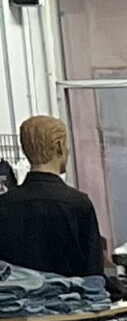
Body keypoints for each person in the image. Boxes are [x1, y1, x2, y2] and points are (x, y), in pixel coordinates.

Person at [0, 116, 105, 279]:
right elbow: (94, 274)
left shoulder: (4, 205)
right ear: (60, 146)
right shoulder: (78, 204)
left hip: (16, 294)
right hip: (72, 293)